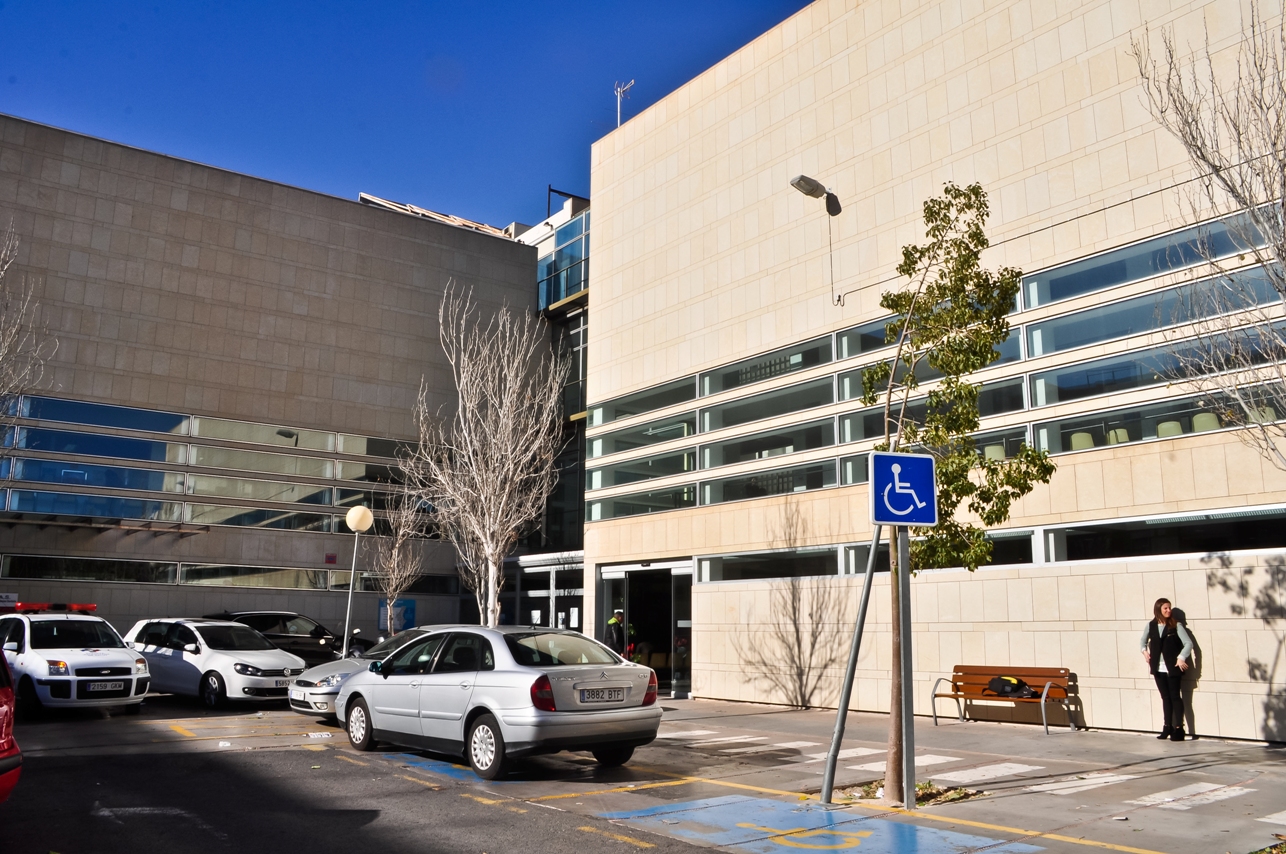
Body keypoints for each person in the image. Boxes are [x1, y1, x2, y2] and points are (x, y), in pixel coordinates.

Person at [1140, 597, 1194, 741]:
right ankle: (1167, 726)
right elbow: (1142, 641)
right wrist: (1145, 652)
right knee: (1165, 698)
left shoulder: (1176, 625)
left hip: (1173, 667)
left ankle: (1179, 729)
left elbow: (1188, 643)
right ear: (1158, 610)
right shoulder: (1151, 625)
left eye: (1169, 608)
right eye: (1165, 608)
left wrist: (1181, 657)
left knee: (1175, 697)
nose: (1168, 611)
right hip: (1158, 668)